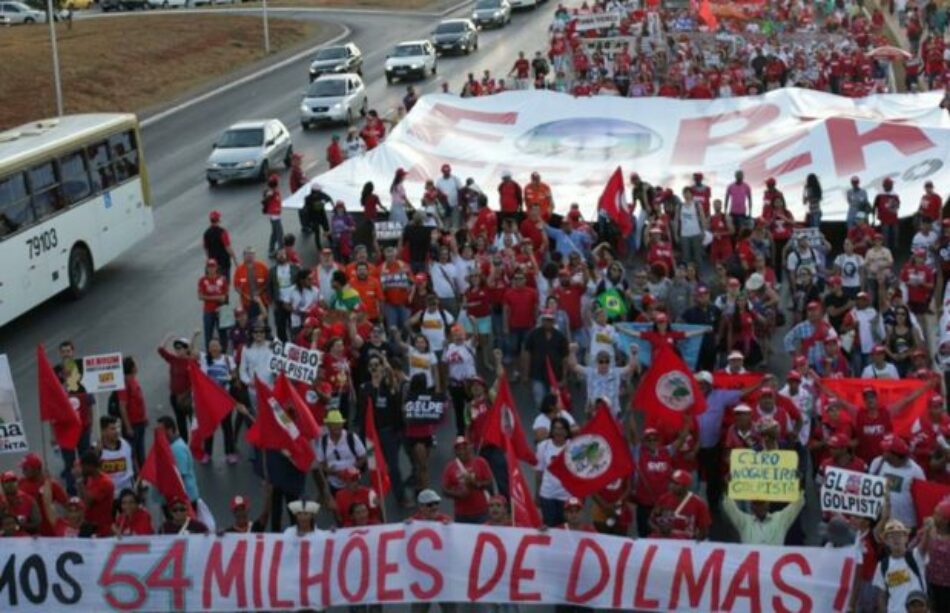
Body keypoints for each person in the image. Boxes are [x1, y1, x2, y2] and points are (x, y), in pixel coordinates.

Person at [874, 519, 928, 613]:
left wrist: (928, 530)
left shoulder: (916, 556)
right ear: (886, 541)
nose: (896, 539)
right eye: (891, 536)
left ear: (906, 538)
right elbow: (881, 595)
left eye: (899, 535)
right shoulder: (882, 565)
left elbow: (925, 545)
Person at [316, 410, 367, 500]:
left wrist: (351, 470)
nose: (337, 427)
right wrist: (332, 472)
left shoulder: (351, 437)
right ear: (328, 426)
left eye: (339, 424)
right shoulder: (323, 441)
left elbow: (363, 457)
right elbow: (320, 463)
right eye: (334, 424)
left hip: (353, 483)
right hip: (334, 484)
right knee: (338, 508)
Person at [441, 436, 492, 524]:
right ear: (455, 452)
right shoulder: (450, 467)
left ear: (470, 448)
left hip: (482, 512)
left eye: (464, 447)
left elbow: (489, 482)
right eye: (458, 448)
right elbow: (444, 490)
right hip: (461, 514)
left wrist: (476, 484)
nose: (462, 451)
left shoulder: (480, 462)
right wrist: (458, 495)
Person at [648, 470, 711, 540]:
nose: (672, 485)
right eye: (671, 482)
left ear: (685, 487)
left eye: (676, 483)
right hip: (664, 542)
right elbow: (651, 521)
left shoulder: (699, 504)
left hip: (685, 544)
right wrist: (660, 530)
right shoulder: (663, 499)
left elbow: (704, 531)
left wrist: (694, 545)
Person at [721, 493, 805, 545]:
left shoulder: (779, 519)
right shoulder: (744, 522)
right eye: (757, 504)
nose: (760, 507)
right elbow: (729, 506)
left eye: (762, 503)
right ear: (752, 506)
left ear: (768, 504)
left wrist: (797, 483)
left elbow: (798, 504)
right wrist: (728, 487)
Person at [535, 417, 572, 527]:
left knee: (564, 527)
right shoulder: (543, 446)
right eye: (555, 428)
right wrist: (537, 494)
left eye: (561, 429)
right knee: (549, 526)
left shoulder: (573, 446)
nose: (558, 432)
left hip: (566, 495)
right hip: (547, 494)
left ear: (566, 431)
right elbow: (539, 472)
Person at [71, 450, 115, 537]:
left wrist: (79, 480)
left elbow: (88, 503)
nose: (81, 469)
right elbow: (82, 500)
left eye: (82, 466)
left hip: (101, 529)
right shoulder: (90, 479)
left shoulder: (105, 482)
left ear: (90, 466)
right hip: (89, 526)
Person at [157, 416, 200, 506]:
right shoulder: (169, 446)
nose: (158, 433)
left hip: (184, 498)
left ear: (170, 430)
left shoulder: (177, 448)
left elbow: (180, 475)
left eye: (161, 430)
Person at [114, 356, 148, 466]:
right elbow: (122, 407)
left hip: (140, 422)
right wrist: (128, 427)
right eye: (134, 364)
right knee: (132, 453)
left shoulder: (133, 380)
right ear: (131, 368)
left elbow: (140, 400)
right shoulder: (124, 384)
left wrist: (144, 417)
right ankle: (136, 478)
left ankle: (143, 477)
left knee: (141, 451)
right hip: (133, 425)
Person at [97, 415, 135, 496]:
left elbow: (133, 463)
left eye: (117, 428)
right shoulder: (96, 449)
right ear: (103, 431)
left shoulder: (126, 445)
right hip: (107, 495)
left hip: (125, 492)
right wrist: (96, 454)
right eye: (112, 429)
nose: (117, 431)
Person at [233, 247, 269, 322]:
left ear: (254, 255)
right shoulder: (239, 270)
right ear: (244, 256)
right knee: (250, 324)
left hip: (262, 301)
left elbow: (268, 282)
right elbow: (236, 286)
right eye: (247, 254)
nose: (249, 256)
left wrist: (260, 291)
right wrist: (245, 295)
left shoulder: (262, 267)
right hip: (247, 303)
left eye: (251, 254)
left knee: (264, 322)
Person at [203, 210, 237, 280]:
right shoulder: (223, 232)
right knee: (224, 285)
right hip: (223, 263)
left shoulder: (206, 233)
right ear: (219, 220)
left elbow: (206, 249)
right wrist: (234, 259)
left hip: (212, 265)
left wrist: (208, 260)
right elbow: (227, 248)